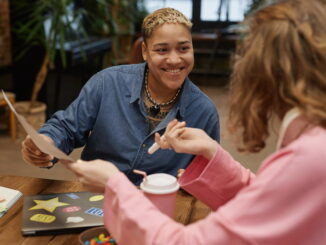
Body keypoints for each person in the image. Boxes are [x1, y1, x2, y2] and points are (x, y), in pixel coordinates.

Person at [62, 0, 326, 244]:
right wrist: (212, 152)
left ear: (271, 69)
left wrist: (116, 186)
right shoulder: (312, 144)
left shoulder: (310, 156)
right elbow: (268, 201)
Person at [21, 8, 220, 184]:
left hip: (158, 209)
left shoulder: (204, 111)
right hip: (97, 199)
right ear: (145, 51)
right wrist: (46, 143)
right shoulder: (107, 83)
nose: (175, 59)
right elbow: (66, 127)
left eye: (184, 48)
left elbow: (210, 170)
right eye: (162, 50)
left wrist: (196, 180)